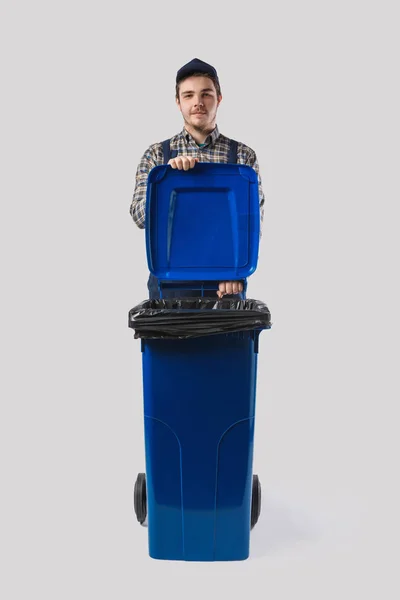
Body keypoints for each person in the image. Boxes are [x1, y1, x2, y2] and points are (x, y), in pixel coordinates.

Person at [130, 58, 265, 299]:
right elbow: (139, 216)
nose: (198, 103)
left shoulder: (243, 156)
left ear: (219, 99)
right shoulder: (157, 155)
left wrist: (234, 273)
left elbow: (251, 224)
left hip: (226, 285)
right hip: (169, 285)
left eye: (206, 94)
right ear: (178, 102)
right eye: (189, 95)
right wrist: (167, 182)